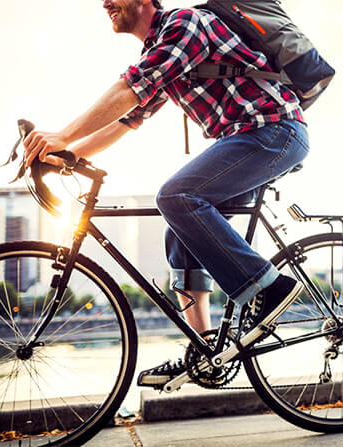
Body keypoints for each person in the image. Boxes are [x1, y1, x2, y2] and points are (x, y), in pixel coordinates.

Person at [23, 0, 308, 387]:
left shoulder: (184, 24)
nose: (104, 2)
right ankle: (206, 351)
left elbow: (129, 87)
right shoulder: (160, 47)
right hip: (248, 139)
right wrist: (66, 154)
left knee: (176, 197)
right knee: (181, 227)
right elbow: (126, 120)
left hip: (273, 132)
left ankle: (269, 288)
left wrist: (61, 135)